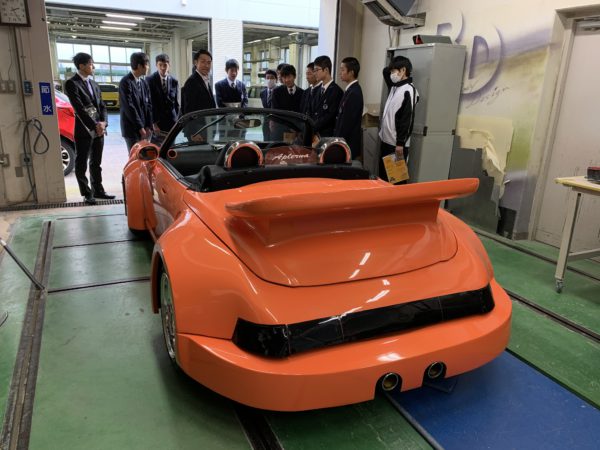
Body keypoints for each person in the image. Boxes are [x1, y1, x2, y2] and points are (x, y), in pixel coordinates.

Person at [64, 52, 114, 204]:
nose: (93, 67)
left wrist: (103, 123)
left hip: (99, 130)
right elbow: (79, 109)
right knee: (81, 163)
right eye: (91, 64)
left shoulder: (94, 84)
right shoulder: (72, 84)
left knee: (96, 162)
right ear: (81, 66)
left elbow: (102, 106)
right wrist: (94, 125)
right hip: (84, 130)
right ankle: (87, 193)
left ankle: (98, 190)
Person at [378, 55, 418, 183]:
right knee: (383, 179)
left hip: (396, 145)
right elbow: (385, 71)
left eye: (394, 71)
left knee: (396, 182)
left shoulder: (409, 90)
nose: (391, 74)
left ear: (403, 70)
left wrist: (400, 143)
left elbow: (407, 119)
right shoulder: (394, 87)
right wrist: (393, 66)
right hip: (386, 141)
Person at [119, 52, 153, 154]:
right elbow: (129, 107)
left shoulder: (143, 83)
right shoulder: (126, 82)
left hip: (145, 129)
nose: (148, 67)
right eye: (147, 64)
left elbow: (149, 105)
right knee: (135, 157)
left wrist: (148, 126)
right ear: (139, 66)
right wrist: (140, 127)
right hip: (132, 130)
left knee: (145, 157)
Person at [334, 57, 364, 159]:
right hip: (343, 142)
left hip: (348, 143)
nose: (340, 73)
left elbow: (347, 122)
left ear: (351, 72)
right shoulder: (350, 90)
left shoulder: (354, 92)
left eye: (343, 70)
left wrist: (338, 141)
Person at [146, 53, 179, 140]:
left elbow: (176, 104)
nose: (163, 68)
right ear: (156, 65)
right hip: (157, 123)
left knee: (172, 145)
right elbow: (149, 104)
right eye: (160, 65)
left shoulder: (174, 81)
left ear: (169, 65)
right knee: (158, 146)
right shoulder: (150, 80)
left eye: (165, 65)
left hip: (172, 122)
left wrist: (178, 121)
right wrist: (153, 123)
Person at [311, 55, 344, 137]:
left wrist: (314, 126)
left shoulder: (337, 91)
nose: (314, 73)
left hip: (327, 135)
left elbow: (330, 116)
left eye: (316, 70)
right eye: (314, 70)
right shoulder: (316, 89)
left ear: (326, 70)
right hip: (313, 134)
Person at [181, 49, 216, 115]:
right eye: (203, 62)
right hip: (199, 121)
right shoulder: (191, 82)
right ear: (195, 63)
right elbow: (189, 111)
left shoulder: (205, 79)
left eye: (209, 62)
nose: (206, 65)